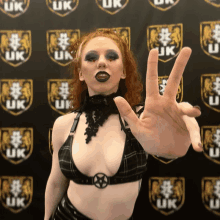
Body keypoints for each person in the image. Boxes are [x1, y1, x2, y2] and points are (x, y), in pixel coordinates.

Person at [44, 29, 203, 220]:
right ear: (80, 74)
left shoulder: (142, 121)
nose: (101, 62)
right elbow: (55, 182)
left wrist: (175, 143)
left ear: (124, 71)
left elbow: (166, 147)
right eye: (91, 58)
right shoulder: (64, 125)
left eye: (111, 57)